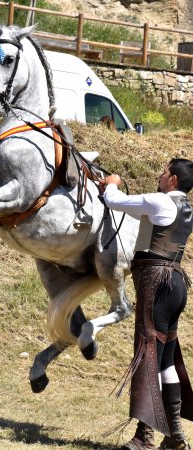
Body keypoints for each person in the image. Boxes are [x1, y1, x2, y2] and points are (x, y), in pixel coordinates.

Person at [99, 158, 193, 450]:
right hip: (176, 283)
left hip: (156, 282)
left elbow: (115, 201)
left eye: (164, 171)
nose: (160, 175)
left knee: (147, 353)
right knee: (165, 360)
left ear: (173, 180)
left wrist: (111, 183)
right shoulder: (187, 209)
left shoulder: (161, 202)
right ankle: (174, 435)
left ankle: (144, 437)